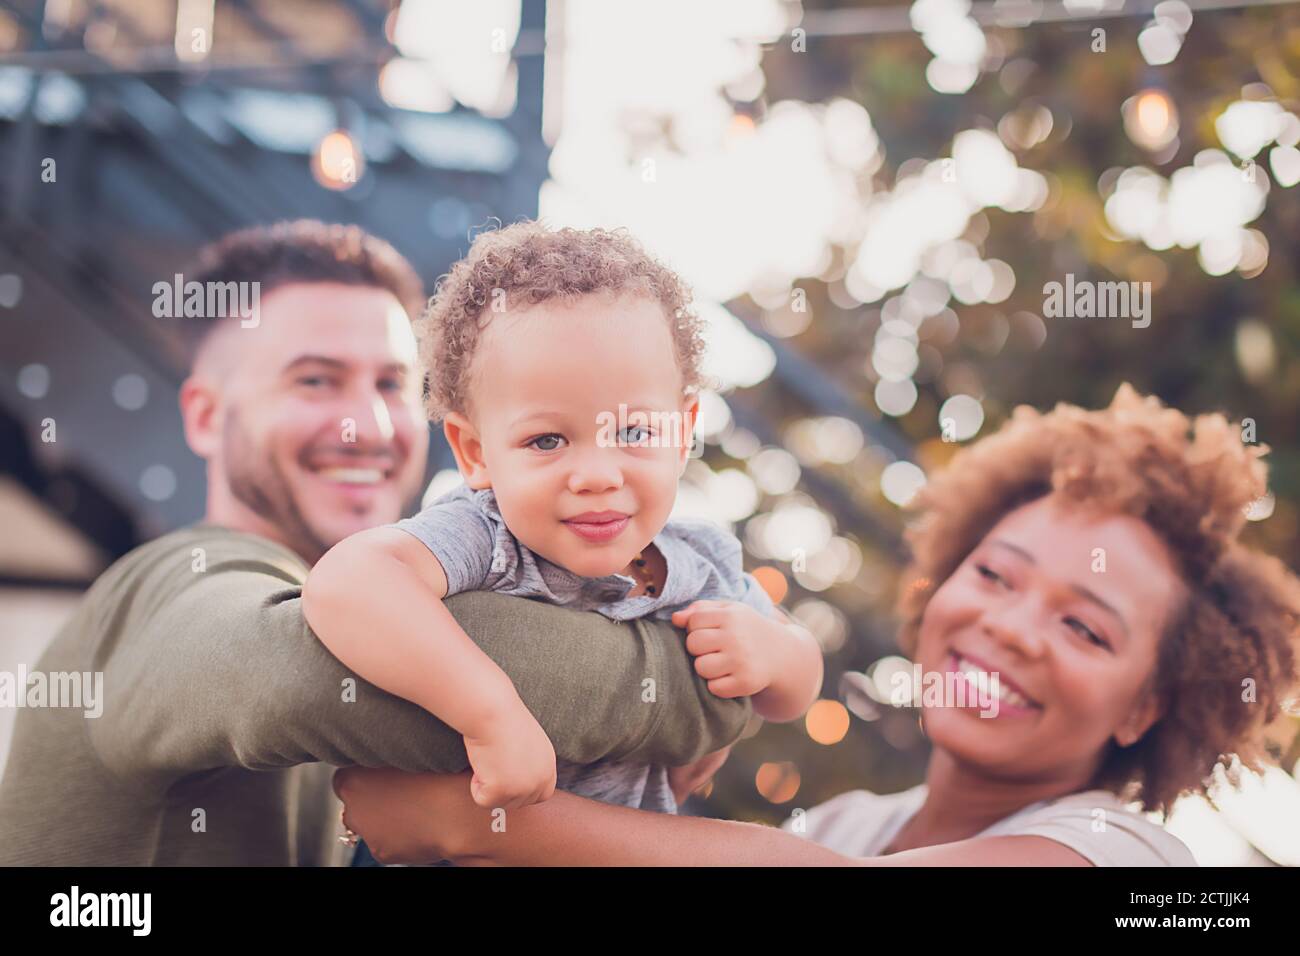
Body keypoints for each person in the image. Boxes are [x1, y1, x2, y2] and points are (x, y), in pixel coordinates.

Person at [0, 220, 749, 866]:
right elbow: (302, 669)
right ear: (204, 416)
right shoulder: (175, 584)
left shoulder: (430, 595)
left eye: (392, 384)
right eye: (317, 382)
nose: (368, 423)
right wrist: (716, 685)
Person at [333, 384, 1300, 866]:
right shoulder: (851, 826)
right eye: (996, 575)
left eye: (1086, 630)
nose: (1010, 629)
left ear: (1147, 708)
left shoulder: (1124, 851)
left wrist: (479, 818)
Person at [303, 222, 823, 815]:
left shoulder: (700, 562)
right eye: (548, 439)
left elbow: (796, 687)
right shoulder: (487, 536)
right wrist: (488, 712)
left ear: (682, 434)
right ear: (475, 453)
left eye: (633, 431)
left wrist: (775, 655)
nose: (597, 475)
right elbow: (346, 583)